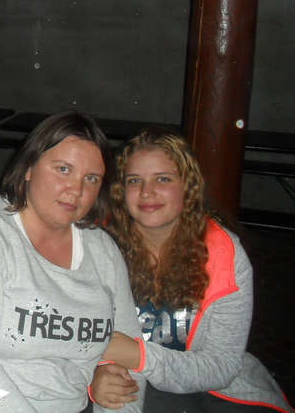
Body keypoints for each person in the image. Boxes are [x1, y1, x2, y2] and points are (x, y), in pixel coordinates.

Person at [0, 111, 146, 413]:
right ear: (28, 168)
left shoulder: (102, 251)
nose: (76, 190)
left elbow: (129, 359)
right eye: (63, 169)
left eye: (91, 178)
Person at [93, 128, 292, 413]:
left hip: (213, 388)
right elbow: (72, 334)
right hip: (128, 381)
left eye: (163, 179)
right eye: (134, 180)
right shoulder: (99, 246)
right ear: (120, 191)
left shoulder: (223, 252)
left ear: (187, 186)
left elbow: (221, 366)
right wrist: (96, 374)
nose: (147, 192)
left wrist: (139, 356)